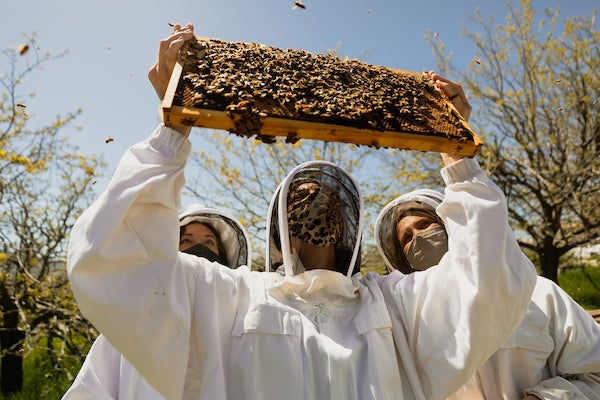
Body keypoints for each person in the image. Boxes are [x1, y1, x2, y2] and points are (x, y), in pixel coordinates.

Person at [66, 23, 538, 399]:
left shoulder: (397, 303)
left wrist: (459, 158)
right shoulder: (223, 296)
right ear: (279, 230)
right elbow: (114, 260)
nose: (316, 201)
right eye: (300, 196)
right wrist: (173, 131)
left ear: (348, 222)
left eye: (327, 197)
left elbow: (493, 285)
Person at [375, 188, 600, 399]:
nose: (418, 237)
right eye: (407, 238)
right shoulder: (409, 326)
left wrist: (544, 397)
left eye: (425, 224)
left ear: (449, 227)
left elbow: (594, 374)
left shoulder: (539, 294)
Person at [62, 205, 251, 399]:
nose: (199, 248)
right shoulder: (133, 320)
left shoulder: (246, 325)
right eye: (186, 240)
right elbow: (91, 391)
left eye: (209, 242)